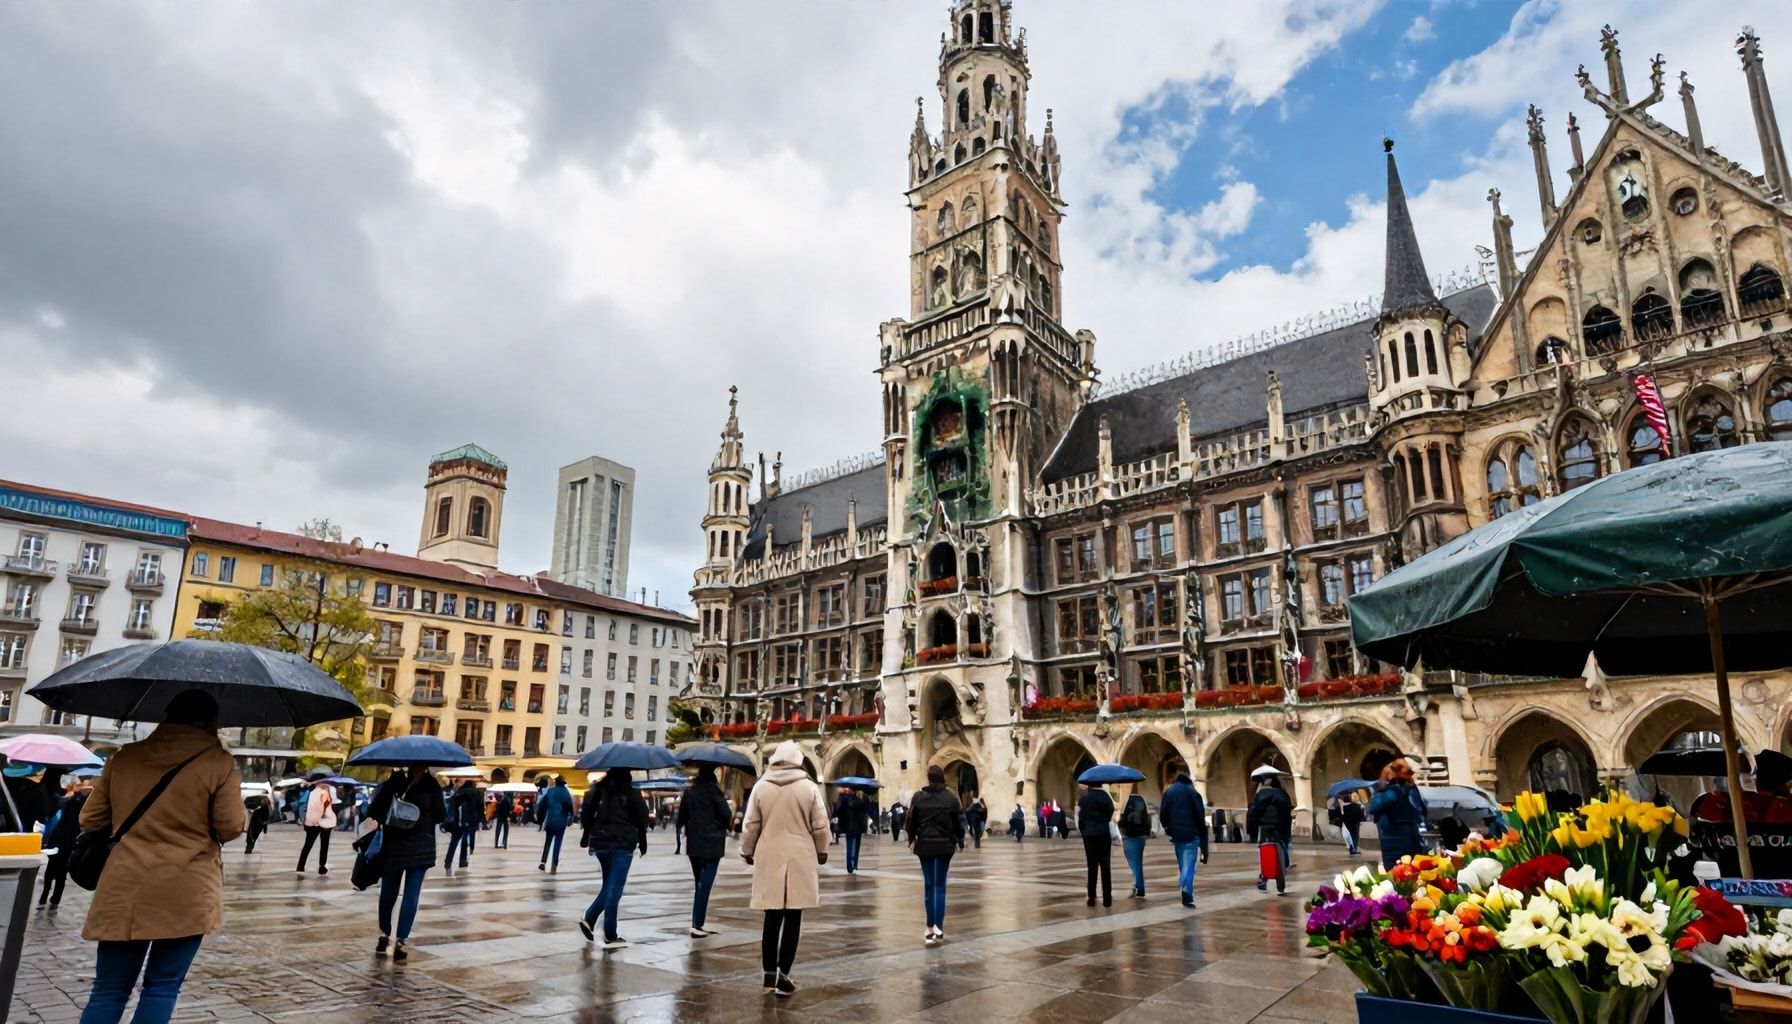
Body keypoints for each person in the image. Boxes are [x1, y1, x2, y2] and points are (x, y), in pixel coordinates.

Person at [77, 688, 245, 1024]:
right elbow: (230, 826)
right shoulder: (217, 762)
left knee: (109, 989)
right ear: (210, 722)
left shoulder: (124, 757)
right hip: (186, 887)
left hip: (124, 884)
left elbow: (89, 819)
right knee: (162, 988)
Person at [741, 741, 829, 997]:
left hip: (769, 854)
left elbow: (751, 825)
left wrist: (747, 851)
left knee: (771, 917)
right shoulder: (809, 787)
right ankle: (784, 975)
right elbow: (821, 825)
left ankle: (768, 973)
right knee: (793, 917)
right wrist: (822, 850)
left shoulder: (761, 787)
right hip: (800, 854)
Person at [366, 765, 446, 963]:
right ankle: (401, 941)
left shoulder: (395, 782)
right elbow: (440, 816)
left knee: (388, 891)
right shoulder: (432, 785)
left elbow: (374, 810)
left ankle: (384, 935)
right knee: (411, 894)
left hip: (395, 846)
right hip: (422, 848)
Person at [580, 768, 649, 948]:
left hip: (600, 842)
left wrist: (588, 835)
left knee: (609, 885)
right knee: (615, 889)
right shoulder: (631, 792)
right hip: (622, 842)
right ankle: (605, 930)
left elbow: (586, 815)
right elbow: (642, 818)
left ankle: (597, 922)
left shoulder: (598, 790)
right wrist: (643, 841)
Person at [907, 765, 965, 945]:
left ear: (929, 778)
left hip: (924, 845)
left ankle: (929, 927)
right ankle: (938, 928)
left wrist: (911, 839)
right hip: (944, 846)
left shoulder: (918, 797)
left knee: (929, 886)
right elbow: (958, 823)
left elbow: (911, 821)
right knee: (940, 886)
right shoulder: (950, 798)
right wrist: (960, 841)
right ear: (942, 778)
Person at [677, 765, 732, 938]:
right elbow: (726, 815)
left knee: (699, 882)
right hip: (712, 844)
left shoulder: (689, 793)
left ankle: (697, 922)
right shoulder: (715, 793)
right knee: (705, 885)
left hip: (694, 844)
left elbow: (682, 818)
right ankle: (697, 924)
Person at [1158, 773, 1208, 907]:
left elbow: (1163, 814)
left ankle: (1184, 885)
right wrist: (1204, 843)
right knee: (1189, 864)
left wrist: (1168, 827)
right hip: (1191, 833)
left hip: (1176, 833)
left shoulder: (1169, 792)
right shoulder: (1193, 793)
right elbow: (1199, 816)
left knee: (1182, 863)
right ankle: (1186, 892)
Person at [1368, 758, 1427, 870]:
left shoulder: (1389, 792)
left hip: (1392, 841)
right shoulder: (1413, 790)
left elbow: (1373, 809)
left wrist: (1379, 788)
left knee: (1396, 875)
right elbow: (1422, 811)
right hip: (1413, 839)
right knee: (1415, 873)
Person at [40, 779, 89, 907]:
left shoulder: (82, 803)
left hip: (67, 840)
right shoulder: (72, 800)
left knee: (60, 869)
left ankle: (53, 897)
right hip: (61, 837)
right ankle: (47, 895)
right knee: (54, 868)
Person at [1247, 775, 1293, 895]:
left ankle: (1263, 880)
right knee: (1280, 857)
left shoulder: (1261, 795)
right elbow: (1287, 813)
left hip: (1264, 830)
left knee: (1265, 856)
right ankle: (1280, 885)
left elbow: (1254, 812)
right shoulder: (1283, 795)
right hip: (1280, 831)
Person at [1077, 782, 1116, 907]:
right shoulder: (1105, 797)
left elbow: (1081, 818)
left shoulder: (1084, 799)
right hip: (1103, 833)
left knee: (1092, 866)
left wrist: (1084, 830)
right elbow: (1110, 813)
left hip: (1088, 835)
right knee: (1105, 865)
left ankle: (1092, 896)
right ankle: (1107, 897)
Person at [295, 778, 336, 876]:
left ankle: (301, 865)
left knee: (308, 844)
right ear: (320, 783)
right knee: (324, 844)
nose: (328, 784)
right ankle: (322, 866)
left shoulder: (311, 792)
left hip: (311, 822)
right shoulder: (324, 793)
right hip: (324, 822)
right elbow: (326, 807)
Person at [1118, 784, 1152, 899]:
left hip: (1129, 836)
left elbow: (1122, 820)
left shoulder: (1127, 802)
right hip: (1140, 836)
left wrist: (1120, 828)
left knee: (1134, 863)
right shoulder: (1141, 801)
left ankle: (1139, 887)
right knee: (1138, 862)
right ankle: (1137, 885)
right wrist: (1147, 832)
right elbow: (1146, 818)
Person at [537, 775, 575, 873]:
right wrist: (571, 816)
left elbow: (542, 806)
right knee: (557, 842)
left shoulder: (550, 791)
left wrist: (540, 819)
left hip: (550, 821)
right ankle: (554, 864)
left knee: (548, 842)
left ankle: (543, 862)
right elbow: (569, 806)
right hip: (561, 822)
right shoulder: (566, 792)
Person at [444, 779, 483, 874]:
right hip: (470, 820)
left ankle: (448, 861)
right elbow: (480, 808)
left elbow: (451, 805)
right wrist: (479, 820)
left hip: (458, 820)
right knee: (465, 840)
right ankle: (463, 860)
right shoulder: (476, 793)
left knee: (455, 840)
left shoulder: (459, 792)